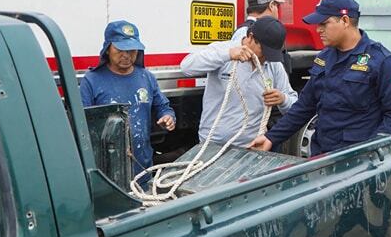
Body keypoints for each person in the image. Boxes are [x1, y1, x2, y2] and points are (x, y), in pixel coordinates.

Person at [249, 0, 391, 155]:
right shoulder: (324, 58)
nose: (318, 29)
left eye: (324, 24)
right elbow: (304, 106)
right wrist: (271, 138)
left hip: (360, 161)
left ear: (345, 21)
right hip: (322, 155)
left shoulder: (381, 61)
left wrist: (376, 150)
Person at [79, 20, 175, 181]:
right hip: (106, 171)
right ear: (107, 48)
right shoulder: (92, 80)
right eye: (120, 49)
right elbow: (81, 125)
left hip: (142, 167)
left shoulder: (146, 77)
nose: (126, 55)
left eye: (132, 50)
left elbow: (163, 107)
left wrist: (168, 117)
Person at [181, 16, 297, 147]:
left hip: (251, 146)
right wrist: (228, 54)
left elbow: (295, 106)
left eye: (272, 54)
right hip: (212, 145)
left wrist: (283, 99)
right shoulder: (224, 50)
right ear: (251, 37)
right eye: (264, 51)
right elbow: (186, 67)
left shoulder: (273, 65)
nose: (266, 58)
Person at [232, 0, 293, 74]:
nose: (277, 10)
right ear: (272, 5)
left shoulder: (242, 31)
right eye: (276, 6)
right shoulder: (246, 33)